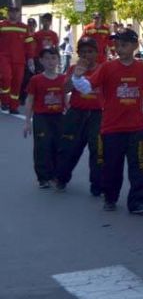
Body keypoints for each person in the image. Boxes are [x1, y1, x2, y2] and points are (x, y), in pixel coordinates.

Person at [71, 28, 143, 214]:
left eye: (124, 44)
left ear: (135, 46)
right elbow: (86, 88)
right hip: (112, 128)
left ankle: (137, 202)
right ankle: (110, 197)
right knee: (112, 166)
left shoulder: (142, 68)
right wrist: (77, 76)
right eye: (117, 44)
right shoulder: (107, 68)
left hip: (136, 128)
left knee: (138, 166)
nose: (119, 48)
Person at [54, 36, 103, 195]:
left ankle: (97, 185)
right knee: (69, 147)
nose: (87, 55)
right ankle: (61, 178)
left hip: (97, 114)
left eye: (90, 51)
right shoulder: (73, 68)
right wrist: (77, 75)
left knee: (98, 150)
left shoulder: (103, 69)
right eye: (83, 52)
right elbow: (65, 89)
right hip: (76, 114)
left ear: (96, 53)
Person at [23, 48, 66, 188]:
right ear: (41, 61)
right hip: (42, 117)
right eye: (47, 58)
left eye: (53, 58)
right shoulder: (36, 79)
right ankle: (43, 177)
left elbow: (66, 99)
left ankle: (55, 175)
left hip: (58, 117)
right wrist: (27, 122)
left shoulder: (63, 79)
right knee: (43, 146)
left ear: (58, 60)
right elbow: (30, 100)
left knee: (58, 146)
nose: (50, 62)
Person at [0, 5, 35, 114]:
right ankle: (4, 101)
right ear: (8, 13)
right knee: (6, 78)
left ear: (19, 13)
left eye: (16, 12)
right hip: (3, 57)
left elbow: (29, 45)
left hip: (19, 60)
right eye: (11, 11)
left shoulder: (24, 28)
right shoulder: (2, 25)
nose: (13, 14)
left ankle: (13, 106)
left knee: (17, 83)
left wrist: (30, 60)